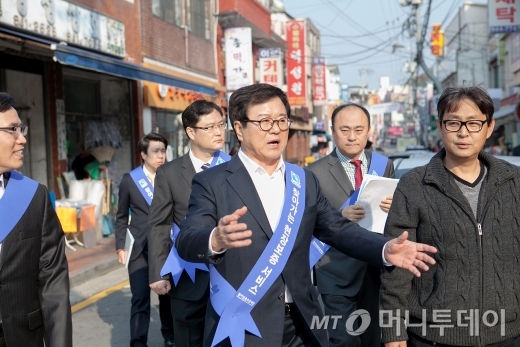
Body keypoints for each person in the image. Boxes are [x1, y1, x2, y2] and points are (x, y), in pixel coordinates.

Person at [175, 83, 437, 347]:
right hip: (245, 323)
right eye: (264, 122)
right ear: (240, 129)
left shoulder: (303, 179)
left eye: (281, 120)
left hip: (302, 323)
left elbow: (338, 229)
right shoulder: (212, 181)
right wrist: (215, 239)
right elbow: (186, 241)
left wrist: (384, 250)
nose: (276, 129)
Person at [380, 86, 520, 347]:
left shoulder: (514, 181)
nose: (463, 132)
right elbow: (396, 269)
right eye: (453, 122)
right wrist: (393, 331)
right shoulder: (414, 184)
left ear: (489, 127)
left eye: (474, 123)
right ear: (441, 126)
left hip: (508, 335)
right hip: (434, 336)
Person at [307, 103, 394, 347]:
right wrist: (338, 214)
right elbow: (306, 221)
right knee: (343, 340)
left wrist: (394, 206)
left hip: (375, 268)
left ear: (369, 131)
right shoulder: (314, 172)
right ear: (333, 131)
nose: (352, 136)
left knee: (374, 339)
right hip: (335, 270)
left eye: (359, 129)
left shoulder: (384, 164)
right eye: (345, 130)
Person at [148, 100, 228, 347]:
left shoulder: (235, 167)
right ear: (190, 132)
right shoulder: (169, 173)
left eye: (221, 125)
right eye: (210, 127)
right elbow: (159, 224)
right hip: (187, 275)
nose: (218, 132)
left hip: (231, 276)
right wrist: (158, 271)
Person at [0, 92, 72, 346]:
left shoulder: (33, 196)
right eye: (12, 130)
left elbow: (53, 285)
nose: (23, 139)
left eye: (21, 128)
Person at [115, 133, 175, 347]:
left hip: (166, 249)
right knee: (140, 298)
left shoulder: (171, 176)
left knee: (167, 297)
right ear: (143, 154)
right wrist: (120, 246)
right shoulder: (130, 181)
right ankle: (138, 342)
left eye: (163, 151)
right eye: (155, 151)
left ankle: (170, 336)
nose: (161, 156)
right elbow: (121, 216)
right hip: (139, 250)